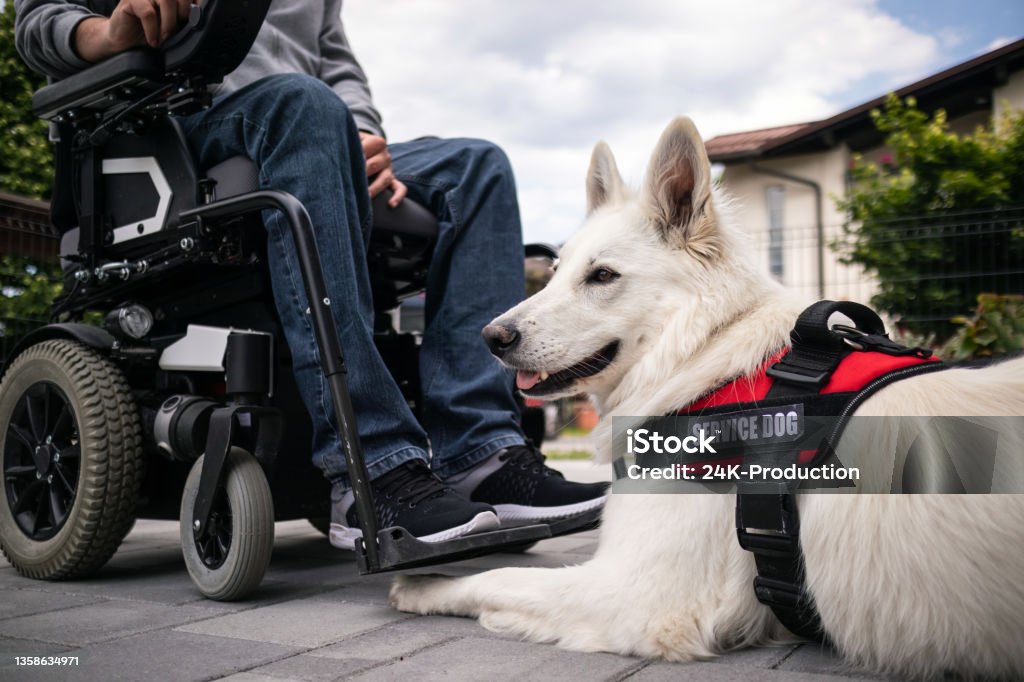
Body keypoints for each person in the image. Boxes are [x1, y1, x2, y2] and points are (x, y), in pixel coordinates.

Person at [15, 0, 608, 550]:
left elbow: (337, 64)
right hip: (179, 123)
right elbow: (36, 20)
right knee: (304, 105)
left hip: (316, 129)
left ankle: (482, 458)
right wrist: (108, 33)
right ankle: (371, 468)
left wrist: (366, 133)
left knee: (476, 167)